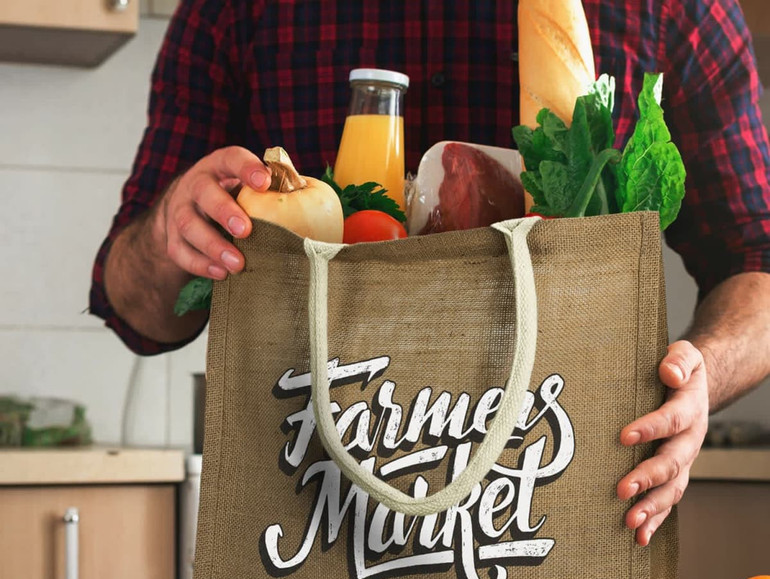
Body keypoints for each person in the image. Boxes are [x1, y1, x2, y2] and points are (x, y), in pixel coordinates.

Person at [91, 0, 770, 547]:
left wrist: (700, 375)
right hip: (316, 510)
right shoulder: (235, 11)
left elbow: (757, 259)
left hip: (561, 501)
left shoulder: (679, 10)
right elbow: (139, 309)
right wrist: (168, 233)